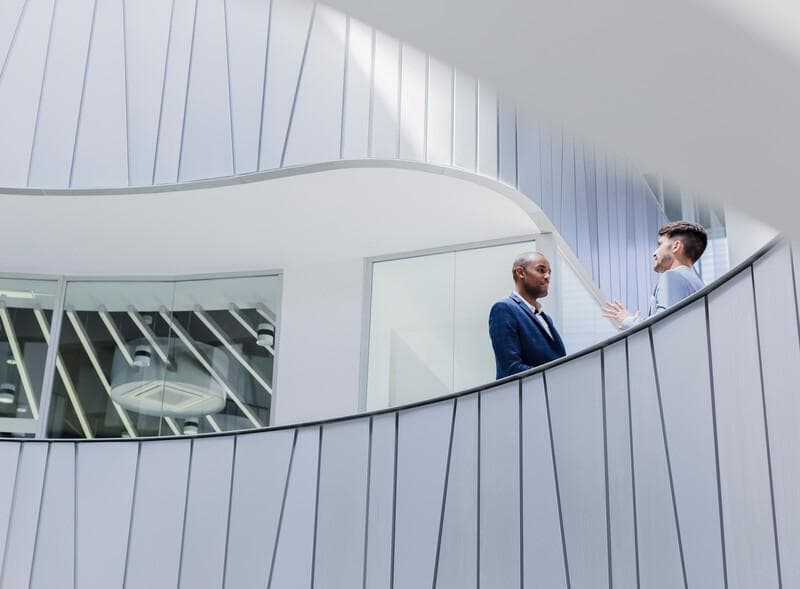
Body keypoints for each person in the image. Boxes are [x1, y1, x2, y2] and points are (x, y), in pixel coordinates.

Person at [602, 220, 707, 329]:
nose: (654, 253)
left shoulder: (672, 276)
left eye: (660, 244)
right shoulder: (697, 284)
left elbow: (661, 323)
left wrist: (627, 320)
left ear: (676, 246)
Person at [489, 252, 566, 379]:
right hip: (525, 395)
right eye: (541, 270)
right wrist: (554, 378)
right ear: (520, 273)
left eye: (549, 272)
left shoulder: (546, 319)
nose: (547, 276)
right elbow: (511, 369)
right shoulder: (504, 309)